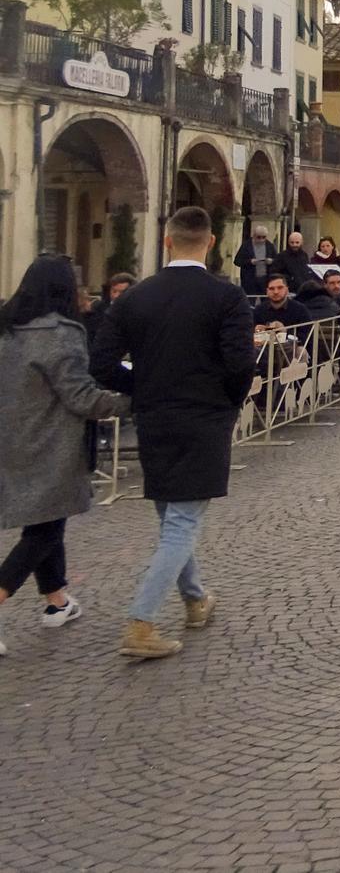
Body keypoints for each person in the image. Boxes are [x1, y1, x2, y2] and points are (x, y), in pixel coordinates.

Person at [90, 207, 255, 661]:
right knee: (180, 522)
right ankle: (141, 622)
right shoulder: (227, 298)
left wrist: (141, 386)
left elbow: (100, 363)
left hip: (155, 417)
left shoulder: (133, 298)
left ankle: (196, 600)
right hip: (204, 416)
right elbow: (241, 363)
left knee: (171, 515)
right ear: (212, 241)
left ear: (167, 242)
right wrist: (228, 401)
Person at [0, 256, 134, 653]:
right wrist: (130, 402)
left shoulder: (8, 327)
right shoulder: (61, 334)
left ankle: (56, 601)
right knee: (45, 527)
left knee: (46, 518)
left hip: (12, 438)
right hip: (51, 443)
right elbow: (81, 396)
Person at [233, 225, 278, 295]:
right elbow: (237, 261)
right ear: (254, 235)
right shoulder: (246, 246)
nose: (261, 240)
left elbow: (278, 261)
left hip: (265, 280)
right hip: (249, 280)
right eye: (259, 237)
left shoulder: (269, 246)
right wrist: (249, 262)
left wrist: (271, 261)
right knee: (250, 302)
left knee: (266, 302)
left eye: (264, 237)